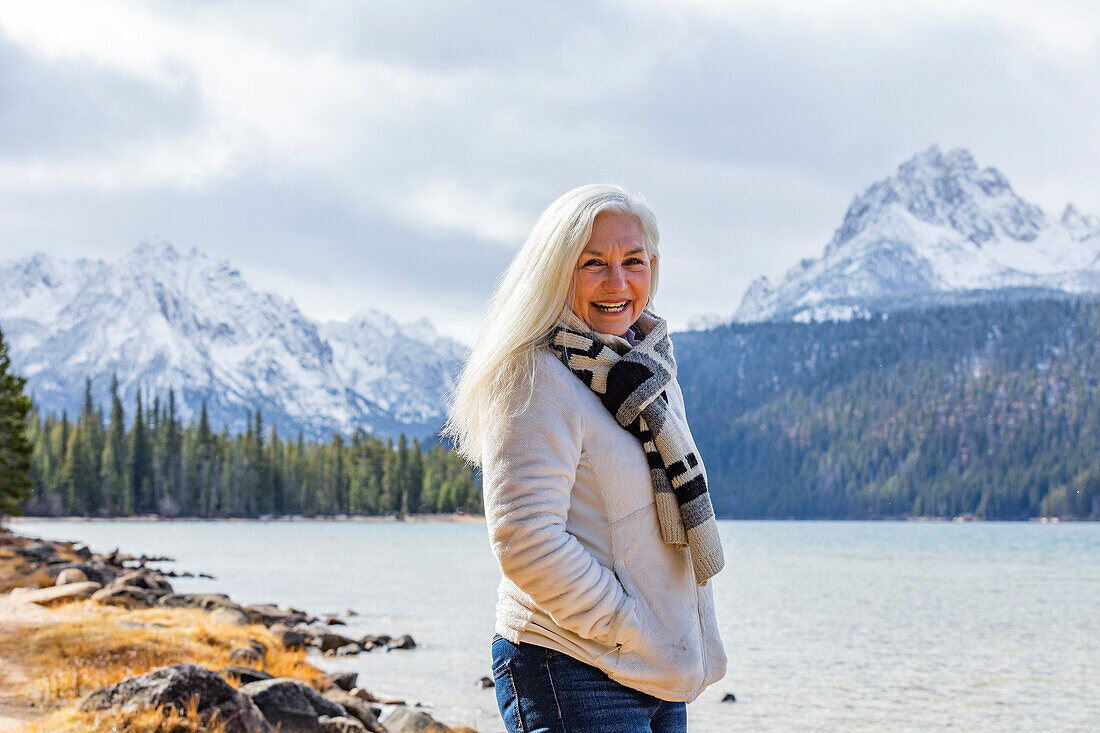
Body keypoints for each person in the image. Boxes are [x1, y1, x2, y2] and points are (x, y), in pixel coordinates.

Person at [445, 184, 726, 732]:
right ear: (556, 271)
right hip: (569, 664)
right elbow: (525, 539)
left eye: (634, 262)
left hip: (654, 669)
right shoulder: (533, 376)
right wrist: (629, 624)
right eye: (593, 263)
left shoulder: (646, 374)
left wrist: (659, 636)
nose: (617, 282)